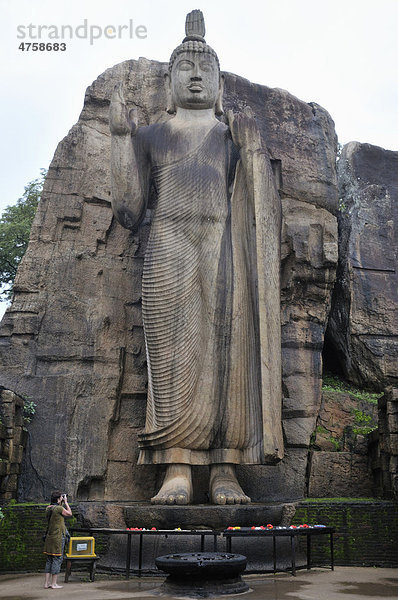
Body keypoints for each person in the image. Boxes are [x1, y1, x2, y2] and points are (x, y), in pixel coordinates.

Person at [110, 10, 283, 505]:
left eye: (205, 67)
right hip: (169, 249)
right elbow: (127, 211)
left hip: (224, 254)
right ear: (169, 80)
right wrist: (123, 140)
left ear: (219, 82)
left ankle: (226, 469)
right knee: (171, 363)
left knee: (230, 358)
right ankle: (177, 470)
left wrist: (252, 153)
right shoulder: (152, 136)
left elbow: (257, 205)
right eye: (185, 66)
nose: (194, 74)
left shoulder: (233, 137)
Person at [43, 491, 72, 589]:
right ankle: (53, 583)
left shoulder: (48, 508)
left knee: (49, 559)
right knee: (57, 559)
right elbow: (69, 513)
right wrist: (66, 502)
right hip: (58, 538)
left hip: (49, 537)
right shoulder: (59, 508)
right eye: (61, 498)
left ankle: (46, 583)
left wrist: (61, 502)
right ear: (58, 499)